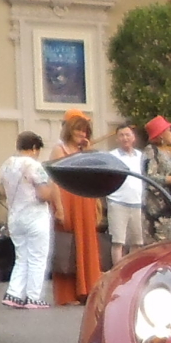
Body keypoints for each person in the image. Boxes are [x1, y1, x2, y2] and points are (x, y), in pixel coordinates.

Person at [49, 110, 104, 307]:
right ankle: (67, 294)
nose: (82, 135)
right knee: (68, 247)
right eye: (79, 131)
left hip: (85, 201)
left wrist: (98, 205)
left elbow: (93, 178)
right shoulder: (59, 150)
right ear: (70, 131)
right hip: (68, 201)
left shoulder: (83, 152)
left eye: (85, 132)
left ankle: (88, 289)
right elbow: (54, 181)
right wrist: (59, 207)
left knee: (87, 244)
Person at [0, 131, 55, 308]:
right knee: (38, 257)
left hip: (15, 215)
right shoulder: (34, 166)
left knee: (21, 256)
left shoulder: (7, 165)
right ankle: (34, 297)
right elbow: (44, 194)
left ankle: (14, 294)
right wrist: (52, 185)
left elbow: (3, 191)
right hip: (35, 216)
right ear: (33, 148)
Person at [102, 122, 148, 268]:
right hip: (117, 203)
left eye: (127, 134)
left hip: (138, 204)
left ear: (133, 137)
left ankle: (132, 269)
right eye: (121, 135)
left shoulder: (141, 157)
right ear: (117, 139)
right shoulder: (112, 156)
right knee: (118, 241)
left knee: (137, 242)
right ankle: (119, 271)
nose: (125, 138)